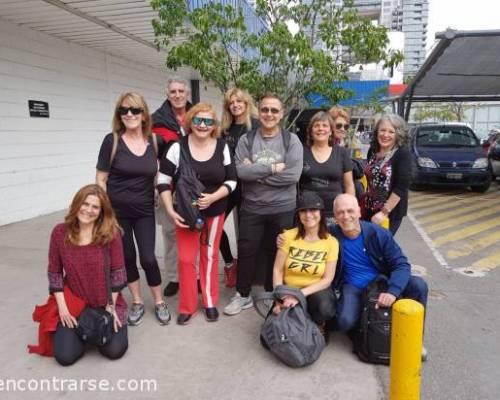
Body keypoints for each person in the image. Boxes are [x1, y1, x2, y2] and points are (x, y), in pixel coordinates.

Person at [224, 93, 303, 316]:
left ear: (281, 114)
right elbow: (240, 171)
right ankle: (243, 294)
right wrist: (271, 168)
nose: (269, 114)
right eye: (265, 109)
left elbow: (293, 175)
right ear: (259, 110)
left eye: (274, 111)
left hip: (283, 207)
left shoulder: (291, 140)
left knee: (275, 252)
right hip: (252, 207)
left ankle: (272, 294)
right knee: (247, 251)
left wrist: (255, 172)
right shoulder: (247, 140)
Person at [158, 102, 237, 325]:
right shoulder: (176, 147)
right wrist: (170, 210)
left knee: (210, 257)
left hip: (215, 211)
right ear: (190, 121)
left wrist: (213, 197)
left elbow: (232, 180)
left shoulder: (222, 147)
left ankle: (210, 301)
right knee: (185, 260)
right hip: (186, 214)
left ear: (214, 125)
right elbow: (163, 181)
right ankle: (187, 306)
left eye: (208, 121)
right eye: (198, 120)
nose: (202, 125)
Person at [96, 92, 170, 326]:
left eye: (135, 110)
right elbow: (101, 179)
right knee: (127, 257)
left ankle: (159, 301)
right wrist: (106, 212)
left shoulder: (155, 142)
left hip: (145, 210)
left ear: (144, 114)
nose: (129, 114)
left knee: (148, 257)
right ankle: (137, 301)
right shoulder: (112, 141)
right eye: (124, 110)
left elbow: (169, 167)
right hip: (117, 213)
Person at [42, 184, 128, 366]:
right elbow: (55, 273)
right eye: (85, 204)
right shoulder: (60, 233)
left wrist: (110, 306)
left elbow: (118, 273)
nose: (88, 210)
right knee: (65, 357)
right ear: (77, 204)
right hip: (75, 305)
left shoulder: (111, 234)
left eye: (95, 207)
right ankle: (83, 334)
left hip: (106, 303)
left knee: (114, 351)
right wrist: (63, 309)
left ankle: (89, 332)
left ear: (102, 211)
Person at [330, 194, 427, 340]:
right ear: (335, 216)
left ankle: (414, 337)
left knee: (418, 285)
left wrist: (393, 291)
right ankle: (365, 328)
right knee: (344, 322)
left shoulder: (378, 234)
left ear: (359, 212)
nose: (346, 216)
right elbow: (307, 230)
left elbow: (401, 264)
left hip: (382, 282)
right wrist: (284, 238)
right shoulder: (330, 234)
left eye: (350, 211)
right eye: (340, 212)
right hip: (353, 286)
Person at [272, 192, 338, 338]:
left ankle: (319, 324)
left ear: (321, 213)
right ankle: (300, 318)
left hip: (315, 291)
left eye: (313, 210)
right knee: (274, 331)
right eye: (303, 211)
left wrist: (299, 296)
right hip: (289, 289)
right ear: (298, 215)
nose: (308, 215)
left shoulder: (331, 242)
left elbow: (327, 279)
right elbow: (277, 270)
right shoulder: (288, 236)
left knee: (325, 308)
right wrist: (280, 298)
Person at [151, 77, 192, 298]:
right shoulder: (156, 120)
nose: (177, 95)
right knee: (169, 233)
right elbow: (149, 152)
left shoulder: (198, 115)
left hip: (195, 185)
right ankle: (174, 278)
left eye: (181, 91)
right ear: (167, 94)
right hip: (168, 186)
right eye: (173, 91)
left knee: (194, 230)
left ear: (187, 94)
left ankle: (193, 276)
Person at [220, 87, 260, 287]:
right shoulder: (224, 129)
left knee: (247, 236)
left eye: (239, 101)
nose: (235, 105)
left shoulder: (257, 125)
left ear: (246, 103)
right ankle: (229, 264)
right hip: (227, 185)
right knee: (214, 227)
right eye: (231, 102)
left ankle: (247, 272)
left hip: (250, 187)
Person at [300, 111, 355, 225]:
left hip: (335, 213)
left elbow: (349, 185)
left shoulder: (342, 153)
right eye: (316, 125)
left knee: (334, 243)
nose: (321, 129)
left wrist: (350, 209)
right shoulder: (301, 152)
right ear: (311, 131)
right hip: (307, 213)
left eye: (325, 125)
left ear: (330, 131)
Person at [362, 114, 411, 235]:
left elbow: (401, 187)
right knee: (366, 245)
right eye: (382, 130)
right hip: (369, 208)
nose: (385, 135)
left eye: (391, 132)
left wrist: (384, 212)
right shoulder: (372, 151)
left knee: (379, 246)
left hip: (389, 212)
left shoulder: (402, 154)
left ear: (398, 134)